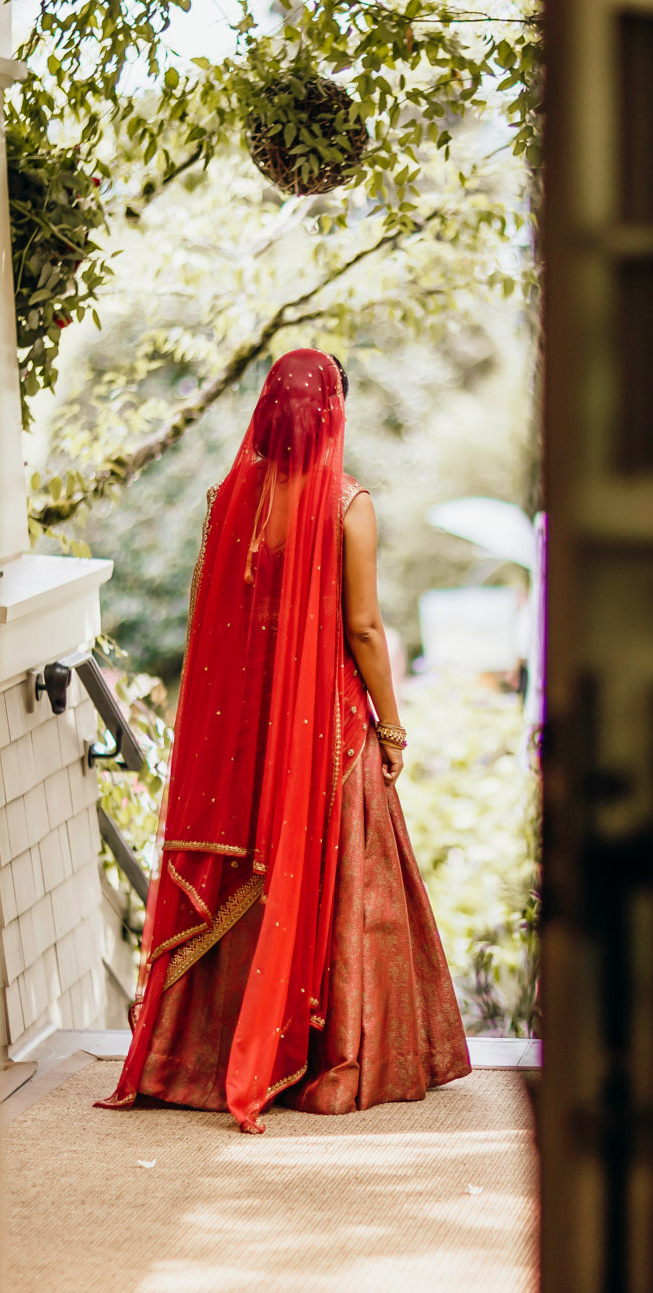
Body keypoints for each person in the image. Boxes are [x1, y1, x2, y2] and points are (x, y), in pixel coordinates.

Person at [97, 348, 471, 1133]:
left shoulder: (229, 495)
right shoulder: (346, 503)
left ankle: (197, 1054)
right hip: (326, 728)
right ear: (335, 411)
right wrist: (392, 726)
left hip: (246, 734)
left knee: (247, 875)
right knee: (352, 886)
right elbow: (363, 627)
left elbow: (217, 628)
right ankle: (331, 1054)